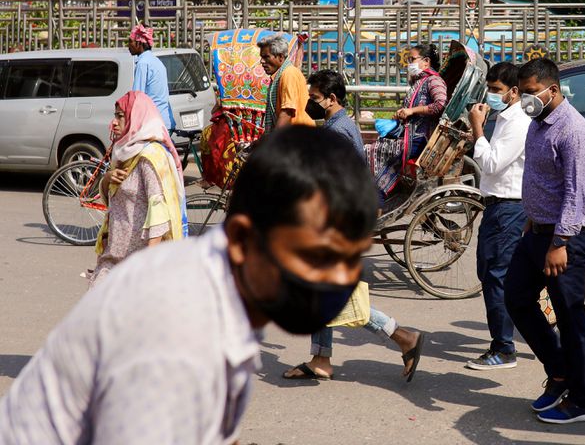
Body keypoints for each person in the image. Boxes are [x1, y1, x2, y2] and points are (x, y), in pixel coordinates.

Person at [0, 126, 378, 443]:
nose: (340, 278)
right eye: (320, 257)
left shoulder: (214, 285)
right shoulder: (178, 329)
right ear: (246, 241)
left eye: (352, 258)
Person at [282, 70, 425, 383]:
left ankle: (402, 336)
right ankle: (321, 359)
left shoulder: (337, 130)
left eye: (315, 98)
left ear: (332, 99)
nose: (310, 103)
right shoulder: (337, 125)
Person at [503, 57, 585, 425]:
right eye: (523, 92)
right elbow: (541, 179)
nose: (525, 100)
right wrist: (532, 219)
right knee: (516, 298)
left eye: (530, 93)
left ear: (552, 90)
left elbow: (576, 194)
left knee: (571, 318)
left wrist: (559, 242)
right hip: (536, 231)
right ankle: (559, 372)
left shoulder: (574, 131)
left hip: (565, 239)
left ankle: (583, 400)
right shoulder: (537, 122)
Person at [465, 62, 530, 371]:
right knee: (490, 272)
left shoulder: (518, 122)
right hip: (497, 206)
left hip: (509, 207)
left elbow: (491, 164)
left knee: (496, 277)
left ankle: (504, 348)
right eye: (489, 90)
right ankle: (524, 327)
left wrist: (478, 127)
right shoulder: (505, 117)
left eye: (496, 91)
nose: (490, 96)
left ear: (513, 92)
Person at [88, 91, 186, 288]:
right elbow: (113, 201)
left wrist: (147, 266)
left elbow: (160, 212)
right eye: (115, 115)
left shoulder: (150, 157)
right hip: (114, 258)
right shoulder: (125, 151)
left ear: (136, 117)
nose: (113, 122)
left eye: (120, 116)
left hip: (137, 263)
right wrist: (107, 178)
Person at [369, 43, 447, 198]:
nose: (409, 63)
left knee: (372, 152)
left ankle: (377, 197)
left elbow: (440, 104)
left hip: (420, 139)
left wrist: (412, 110)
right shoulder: (419, 81)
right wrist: (403, 113)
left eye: (412, 59)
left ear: (426, 61)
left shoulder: (433, 81)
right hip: (409, 135)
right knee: (373, 150)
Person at [258, 33, 315, 132]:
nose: (262, 61)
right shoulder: (280, 75)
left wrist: (272, 141)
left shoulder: (289, 74)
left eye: (266, 57)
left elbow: (287, 112)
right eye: (262, 57)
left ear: (280, 57)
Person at [128, 24, 175, 130]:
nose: (128, 46)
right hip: (165, 120)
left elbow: (137, 97)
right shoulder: (156, 61)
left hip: (154, 123)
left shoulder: (143, 63)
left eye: (130, 41)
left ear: (139, 42)